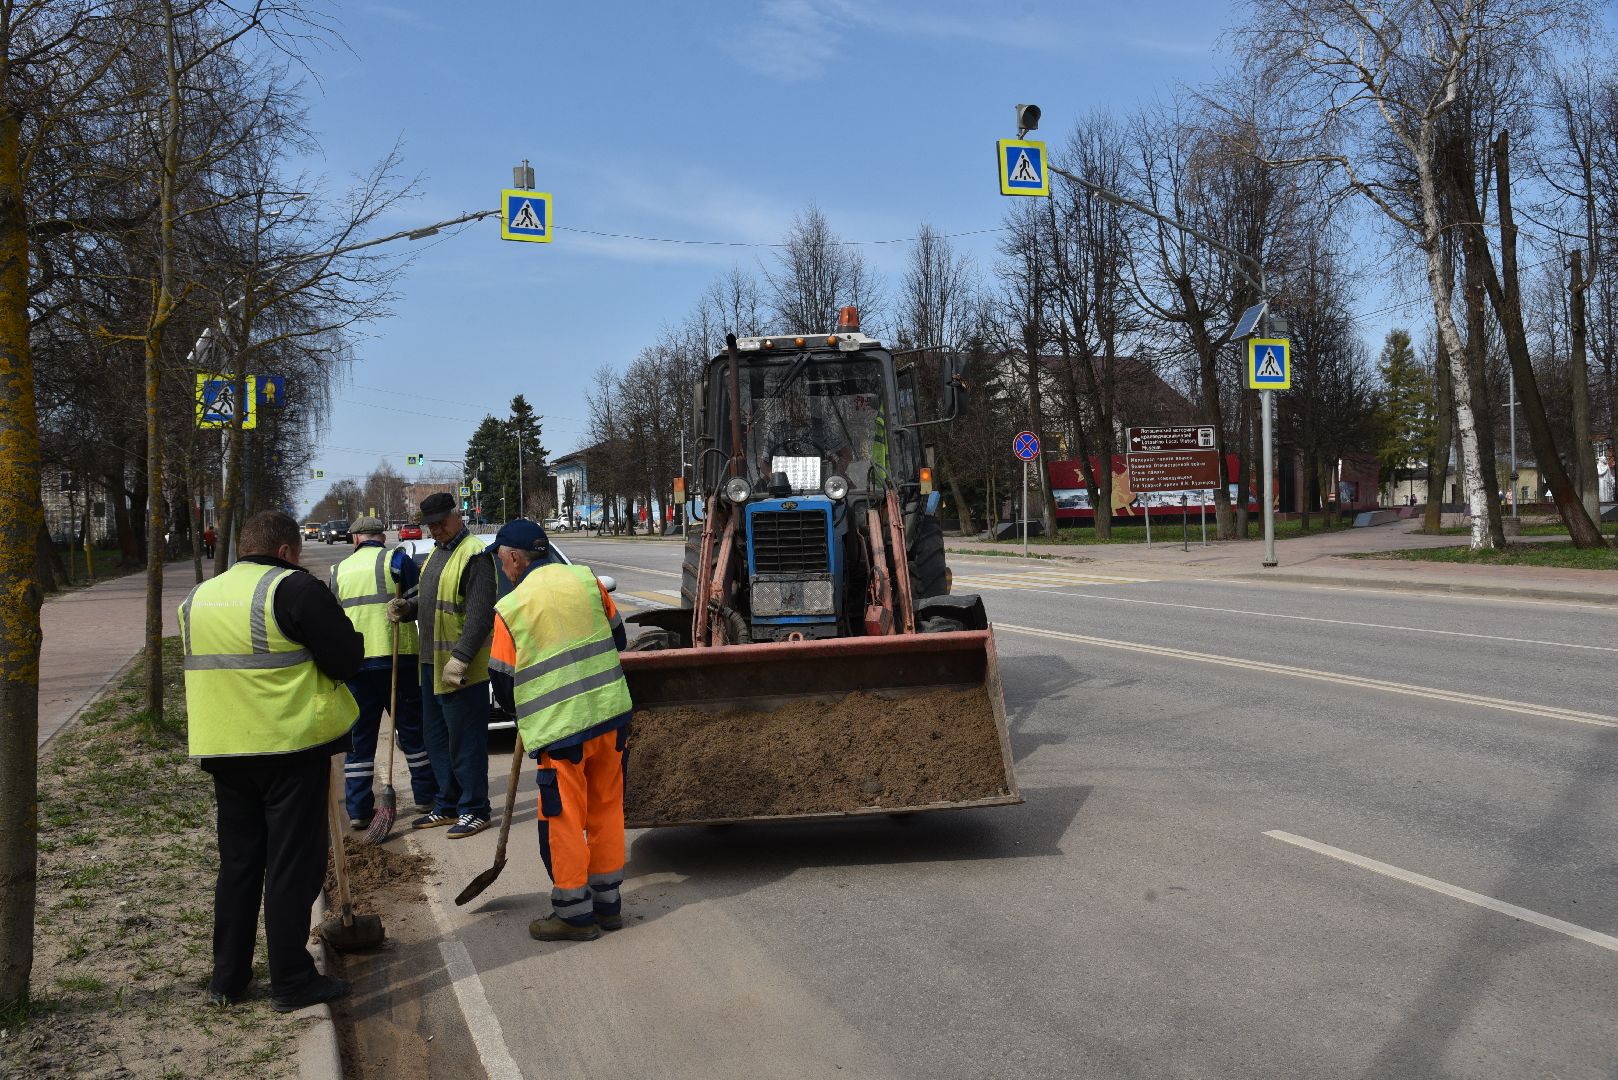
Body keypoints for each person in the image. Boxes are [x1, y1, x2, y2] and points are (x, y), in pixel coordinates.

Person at [177, 510, 362, 1012]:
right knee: (290, 867)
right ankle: (292, 981)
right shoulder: (295, 589)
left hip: (224, 750)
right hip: (287, 749)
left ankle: (227, 980)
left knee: (238, 865)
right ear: (285, 552)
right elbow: (347, 658)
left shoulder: (197, 598)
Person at [486, 519, 631, 942]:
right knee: (606, 809)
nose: (502, 567)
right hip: (610, 719)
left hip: (561, 733)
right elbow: (618, 639)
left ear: (515, 558)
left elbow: (503, 687)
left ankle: (572, 914)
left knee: (564, 818)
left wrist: (527, 717)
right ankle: (608, 905)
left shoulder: (511, 609)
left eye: (501, 559)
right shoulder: (587, 581)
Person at [386, 492, 494, 838]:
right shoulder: (438, 552)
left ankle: (475, 808)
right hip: (431, 663)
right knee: (437, 741)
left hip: (460, 670)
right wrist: (409, 607)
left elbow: (479, 616)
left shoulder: (474, 554)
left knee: (465, 742)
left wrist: (461, 659)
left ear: (456, 515)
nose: (436, 530)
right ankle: (446, 805)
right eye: (430, 525)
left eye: (440, 523)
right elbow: (430, 597)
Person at [330, 516, 436, 828]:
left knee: (359, 738)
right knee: (412, 731)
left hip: (356, 665)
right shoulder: (398, 560)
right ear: (381, 537)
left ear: (355, 540)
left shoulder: (338, 571)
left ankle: (359, 810)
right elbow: (420, 600)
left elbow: (334, 617)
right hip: (396, 658)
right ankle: (425, 797)